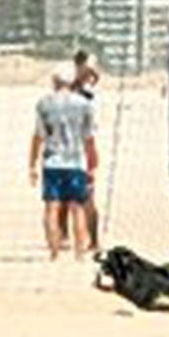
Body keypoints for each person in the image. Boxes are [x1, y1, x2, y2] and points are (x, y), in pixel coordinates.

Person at [27, 70, 97, 262]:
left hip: (52, 162)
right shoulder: (84, 104)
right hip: (76, 161)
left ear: (55, 81)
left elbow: (38, 136)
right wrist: (92, 164)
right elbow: (89, 138)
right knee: (78, 208)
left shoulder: (44, 103)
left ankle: (54, 252)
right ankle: (79, 254)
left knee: (52, 208)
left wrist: (32, 163)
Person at [68, 50, 102, 248]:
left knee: (86, 197)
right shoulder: (78, 87)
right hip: (74, 146)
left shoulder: (85, 90)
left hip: (83, 147)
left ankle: (94, 240)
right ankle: (74, 237)